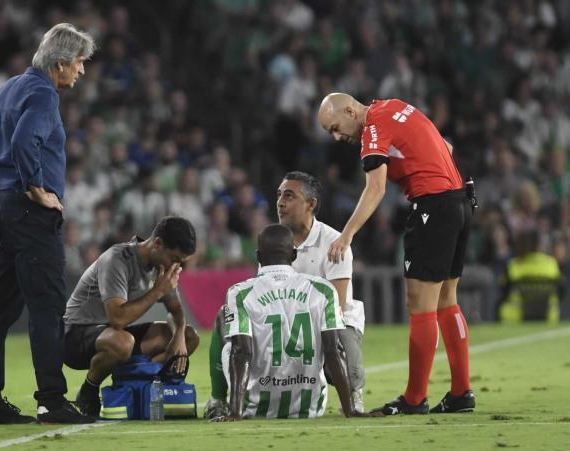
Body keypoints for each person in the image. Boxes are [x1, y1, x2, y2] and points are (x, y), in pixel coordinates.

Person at [0, 23, 96, 425]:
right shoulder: (42, 94)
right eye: (79, 63)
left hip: (3, 208)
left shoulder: (11, 88)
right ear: (60, 63)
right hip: (29, 214)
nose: (82, 71)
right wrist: (34, 187)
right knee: (47, 307)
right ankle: (52, 400)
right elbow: (22, 144)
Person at [318, 93, 475, 415]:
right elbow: (445, 147)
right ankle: (461, 393)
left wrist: (346, 236)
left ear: (350, 110)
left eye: (335, 127)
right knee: (447, 300)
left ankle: (415, 399)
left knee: (420, 305)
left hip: (433, 204)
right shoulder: (394, 106)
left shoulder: (372, 127)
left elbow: (375, 187)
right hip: (460, 201)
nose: (337, 136)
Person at [204, 171, 367, 417]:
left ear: (311, 204)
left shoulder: (334, 242)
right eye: (279, 195)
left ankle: (354, 395)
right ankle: (218, 398)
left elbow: (339, 305)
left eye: (289, 196)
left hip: (330, 321)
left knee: (341, 348)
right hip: (289, 319)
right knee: (227, 317)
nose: (280, 202)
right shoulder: (275, 240)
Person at [213, 224, 358, 420]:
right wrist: (350, 410)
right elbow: (334, 351)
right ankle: (346, 404)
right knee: (328, 345)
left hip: (255, 409)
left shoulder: (239, 293)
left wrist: (236, 414)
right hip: (310, 408)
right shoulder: (323, 290)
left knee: (230, 345)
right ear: (294, 255)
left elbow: (242, 353)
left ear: (258, 256)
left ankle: (221, 402)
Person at [63, 216, 200, 417]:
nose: (176, 267)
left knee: (190, 337)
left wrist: (179, 335)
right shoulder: (117, 259)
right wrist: (158, 291)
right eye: (175, 259)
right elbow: (117, 318)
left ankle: (140, 385)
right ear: (158, 244)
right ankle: (89, 390)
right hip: (75, 335)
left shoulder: (161, 265)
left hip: (114, 334)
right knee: (122, 342)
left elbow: (176, 310)